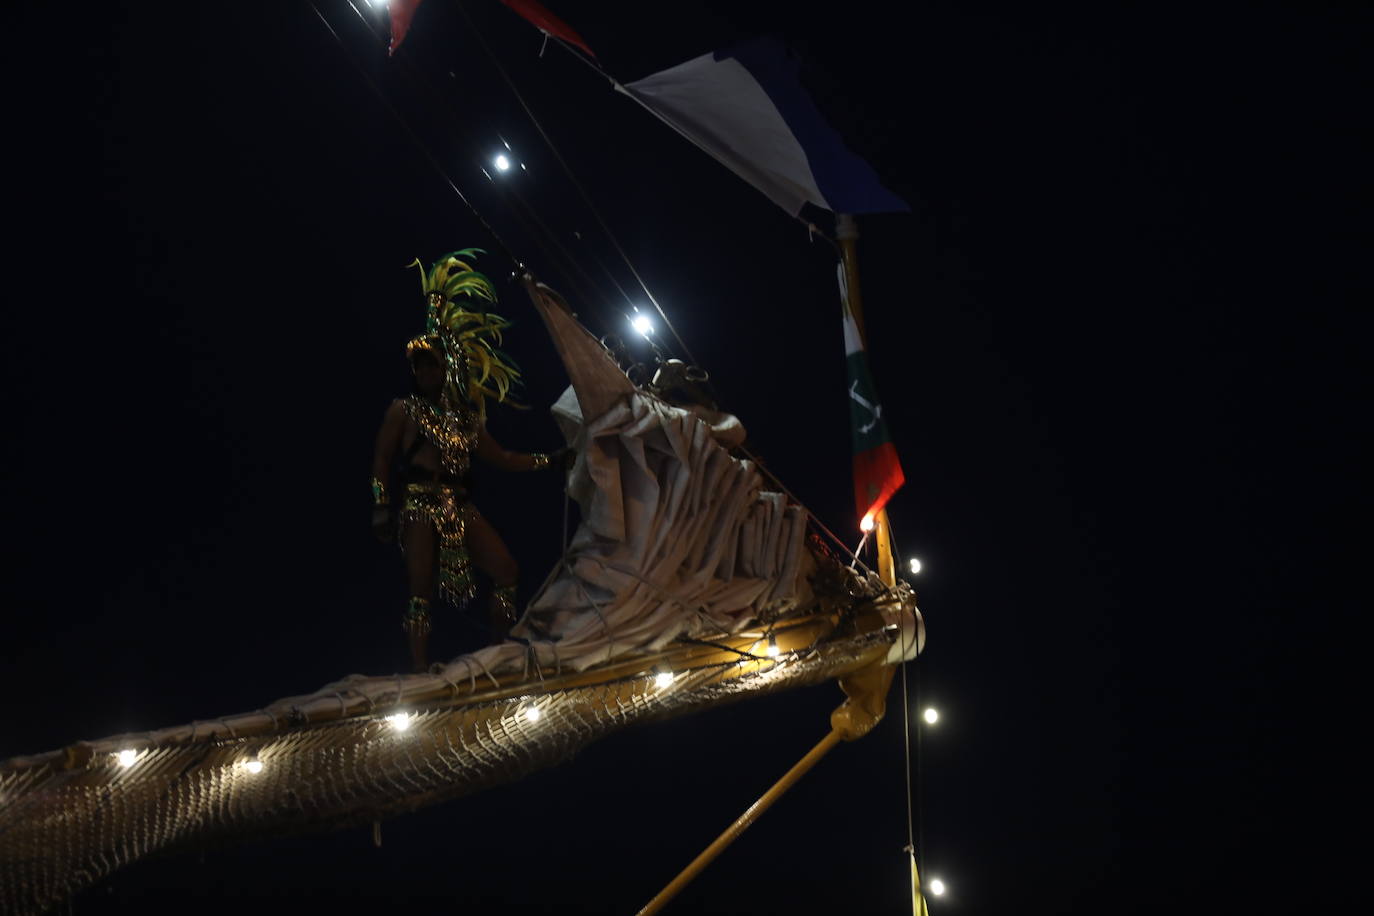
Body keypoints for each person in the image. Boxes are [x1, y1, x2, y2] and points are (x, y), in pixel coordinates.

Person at [370, 251, 560, 672]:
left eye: (431, 366)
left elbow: (505, 459)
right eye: (418, 367)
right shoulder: (403, 410)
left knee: (506, 570)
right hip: (420, 502)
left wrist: (552, 460)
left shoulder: (467, 418)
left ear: (445, 369)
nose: (424, 373)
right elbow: (382, 460)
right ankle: (420, 668)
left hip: (460, 504)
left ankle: (498, 651)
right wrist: (381, 506)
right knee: (420, 587)